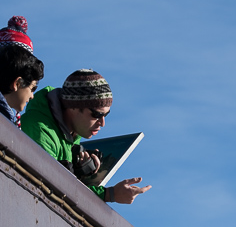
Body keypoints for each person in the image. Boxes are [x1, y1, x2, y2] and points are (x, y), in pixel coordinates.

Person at [21, 69, 151, 204]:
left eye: (106, 115)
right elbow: (48, 185)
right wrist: (109, 194)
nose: (102, 123)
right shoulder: (39, 130)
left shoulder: (70, 134)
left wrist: (80, 174)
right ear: (73, 107)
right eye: (97, 115)